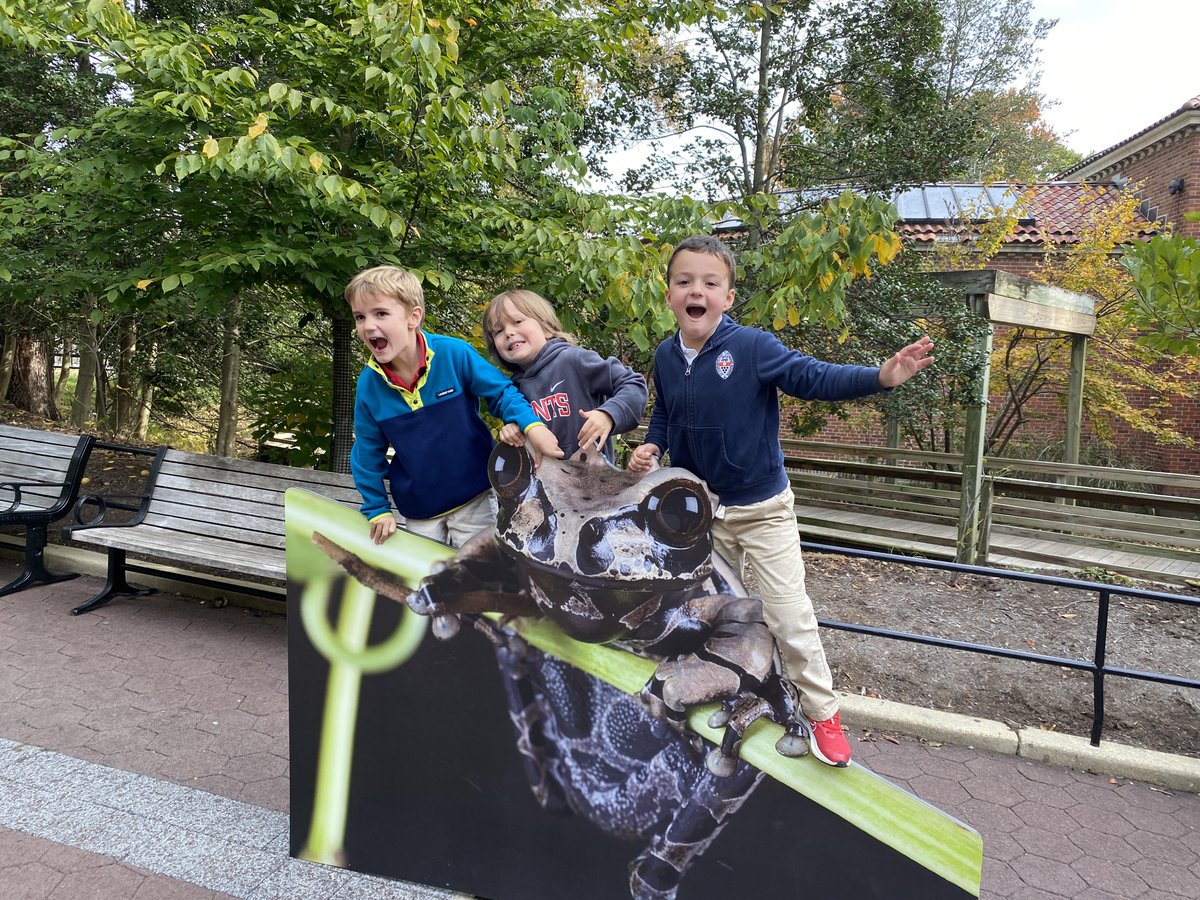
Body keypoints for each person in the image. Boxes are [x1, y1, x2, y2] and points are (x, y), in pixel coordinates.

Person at [628, 235, 934, 767]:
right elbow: (667, 415)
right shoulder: (666, 355)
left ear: (728, 297)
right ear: (670, 293)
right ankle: (740, 692)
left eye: (710, 282)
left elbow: (813, 378)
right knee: (716, 614)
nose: (696, 290)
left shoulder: (752, 347)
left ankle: (822, 713)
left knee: (788, 616)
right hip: (705, 513)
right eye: (684, 281)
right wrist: (653, 444)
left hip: (763, 511)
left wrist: (881, 378)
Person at [346, 266, 562, 548]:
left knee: (479, 576)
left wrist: (531, 426)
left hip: (474, 495)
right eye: (360, 317)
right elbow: (366, 455)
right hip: (421, 509)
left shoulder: (452, 354)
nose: (368, 325)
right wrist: (377, 509)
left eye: (381, 314)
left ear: (414, 317)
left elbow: (502, 392)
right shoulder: (369, 385)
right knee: (428, 580)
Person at [483, 289, 648, 460]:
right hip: (547, 484)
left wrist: (609, 415)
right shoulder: (512, 391)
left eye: (517, 321)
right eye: (498, 331)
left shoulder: (573, 360)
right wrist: (512, 431)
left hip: (594, 480)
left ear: (545, 328)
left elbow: (634, 384)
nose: (508, 333)